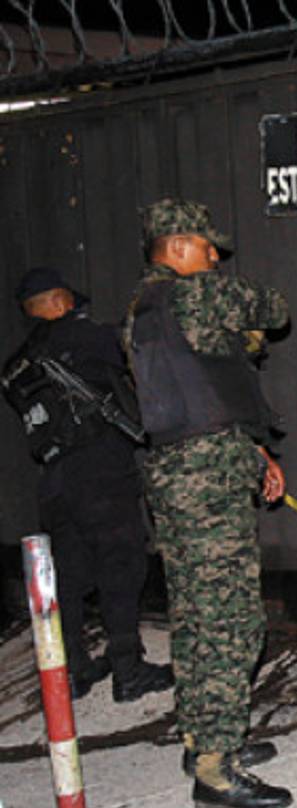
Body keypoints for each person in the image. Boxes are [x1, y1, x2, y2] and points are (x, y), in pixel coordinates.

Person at [124, 199, 292, 808]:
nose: (215, 258)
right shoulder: (189, 298)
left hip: (185, 471)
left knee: (196, 619)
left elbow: (202, 398)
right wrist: (241, 315)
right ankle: (218, 772)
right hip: (205, 483)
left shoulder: (147, 307)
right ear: (175, 246)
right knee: (230, 623)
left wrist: (255, 456)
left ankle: (203, 741)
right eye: (206, 247)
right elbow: (274, 309)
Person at [1, 267, 174, 702]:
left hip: (55, 481)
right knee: (122, 566)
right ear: (58, 303)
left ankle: (73, 669)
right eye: (72, 304)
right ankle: (128, 669)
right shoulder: (80, 337)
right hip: (100, 473)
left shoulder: (17, 364)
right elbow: (136, 346)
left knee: (70, 579)